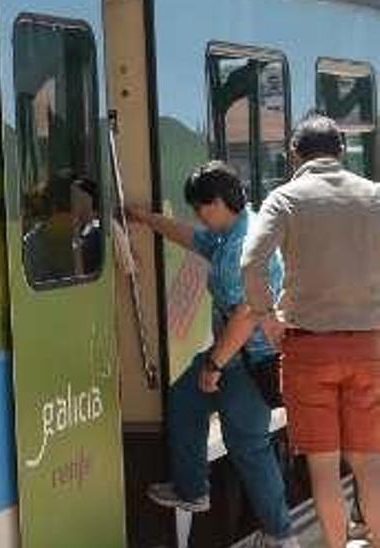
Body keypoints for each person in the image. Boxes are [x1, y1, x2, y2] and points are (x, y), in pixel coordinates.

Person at [127, 161, 297, 547]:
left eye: (201, 207)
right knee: (186, 400)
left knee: (249, 447)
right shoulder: (229, 234)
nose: (198, 216)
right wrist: (143, 218)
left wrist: (215, 363)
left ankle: (282, 536)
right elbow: (189, 237)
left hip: (250, 361)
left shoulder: (246, 241)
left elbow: (247, 313)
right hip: (234, 357)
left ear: (219, 202)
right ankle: (192, 489)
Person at [242, 114, 380, 548]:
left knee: (323, 468)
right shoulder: (374, 195)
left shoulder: (284, 198)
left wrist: (268, 319)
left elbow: (251, 264)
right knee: (369, 465)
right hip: (369, 346)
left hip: (307, 348)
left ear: (293, 155)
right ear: (341, 151)